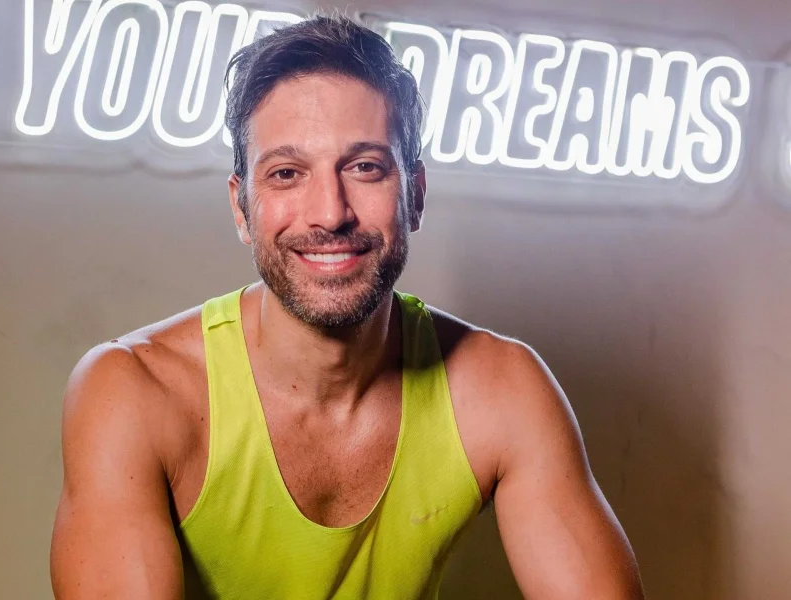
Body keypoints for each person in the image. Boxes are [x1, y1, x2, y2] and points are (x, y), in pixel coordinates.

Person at [50, 14, 645, 600]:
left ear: (415, 195)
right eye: (287, 173)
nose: (330, 212)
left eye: (365, 167)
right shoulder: (134, 390)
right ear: (241, 208)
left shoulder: (501, 390)